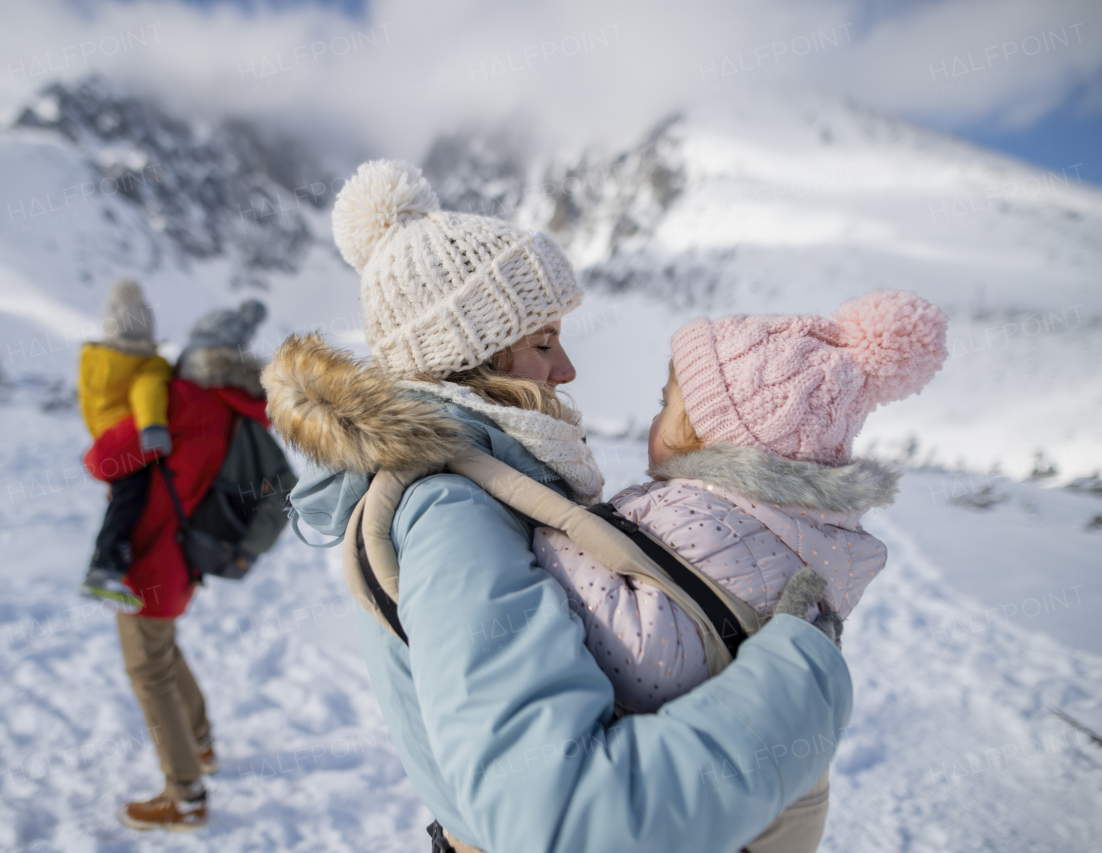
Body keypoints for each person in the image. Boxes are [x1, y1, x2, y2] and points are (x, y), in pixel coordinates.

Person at [267, 160, 853, 852]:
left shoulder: (486, 483)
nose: (567, 368)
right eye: (543, 343)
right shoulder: (449, 512)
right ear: (469, 362)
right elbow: (562, 816)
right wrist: (798, 676)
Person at [534, 290, 947, 716]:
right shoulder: (767, 522)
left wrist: (553, 530)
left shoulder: (709, 521)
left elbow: (645, 665)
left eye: (665, 405)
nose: (654, 419)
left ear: (715, 436)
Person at [82, 299, 270, 831]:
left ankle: (184, 794)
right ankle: (203, 742)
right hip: (187, 554)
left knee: (148, 669)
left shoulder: (183, 398)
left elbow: (102, 459)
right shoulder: (237, 407)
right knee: (163, 653)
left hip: (148, 558)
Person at [78, 278, 172, 610]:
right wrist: (154, 426)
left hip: (108, 442)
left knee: (120, 502)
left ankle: (107, 568)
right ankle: (103, 570)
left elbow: (91, 405)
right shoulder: (147, 364)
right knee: (130, 504)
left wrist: (101, 442)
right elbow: (147, 391)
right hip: (135, 445)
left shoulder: (94, 359)